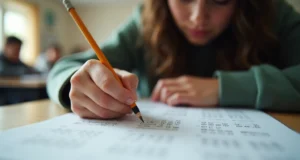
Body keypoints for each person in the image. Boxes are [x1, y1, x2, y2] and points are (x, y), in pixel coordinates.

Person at [47, 0, 300, 120]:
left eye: (221, 0)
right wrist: (76, 84)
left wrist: (226, 88)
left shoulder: (275, 15)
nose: (199, 17)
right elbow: (64, 69)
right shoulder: (146, 22)